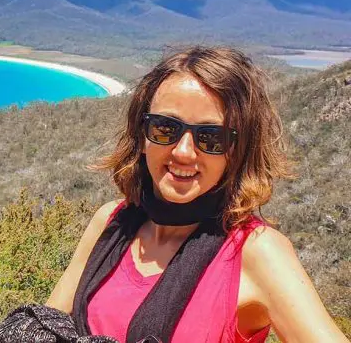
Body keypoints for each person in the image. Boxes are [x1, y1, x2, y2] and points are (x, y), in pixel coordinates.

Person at [46, 47, 349, 342]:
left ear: (238, 151)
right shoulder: (112, 223)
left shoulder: (255, 252)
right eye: (165, 128)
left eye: (211, 138)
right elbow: (47, 326)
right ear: (141, 135)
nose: (183, 152)